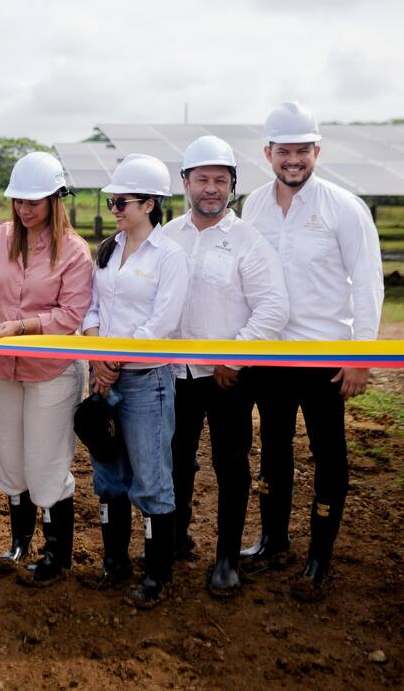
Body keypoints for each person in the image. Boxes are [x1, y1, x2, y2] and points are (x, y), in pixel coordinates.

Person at [240, 102, 384, 602]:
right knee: (274, 451)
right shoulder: (252, 206)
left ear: (317, 152)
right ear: (269, 153)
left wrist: (361, 356)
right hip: (269, 357)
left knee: (328, 455)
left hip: (325, 358)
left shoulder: (345, 207)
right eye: (285, 151)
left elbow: (367, 285)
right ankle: (272, 541)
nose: (293, 159)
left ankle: (319, 558)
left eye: (303, 150)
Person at [0, 151, 93, 588]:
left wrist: (23, 326)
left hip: (50, 371)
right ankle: (20, 543)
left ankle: (56, 554)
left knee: (46, 465)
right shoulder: (0, 238)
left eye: (33, 201)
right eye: (18, 200)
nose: (24, 208)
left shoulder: (74, 251)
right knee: (12, 461)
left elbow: (71, 316)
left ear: (56, 198)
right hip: (2, 367)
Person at [161, 137, 288, 599]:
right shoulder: (167, 237)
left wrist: (232, 357)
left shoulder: (248, 242)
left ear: (233, 185)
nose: (211, 189)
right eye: (202, 179)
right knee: (175, 459)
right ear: (185, 183)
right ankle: (175, 539)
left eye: (220, 180)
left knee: (230, 464)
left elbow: (272, 307)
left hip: (227, 378)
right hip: (174, 374)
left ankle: (227, 560)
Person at [78, 154, 188, 607]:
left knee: (151, 478)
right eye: (112, 201)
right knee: (108, 475)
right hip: (104, 377)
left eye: (122, 202)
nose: (114, 209)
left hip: (146, 380)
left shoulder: (170, 257)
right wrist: (96, 352)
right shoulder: (106, 250)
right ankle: (115, 561)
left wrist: (112, 361)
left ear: (150, 203)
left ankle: (156, 574)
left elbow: (161, 324)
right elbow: (93, 309)